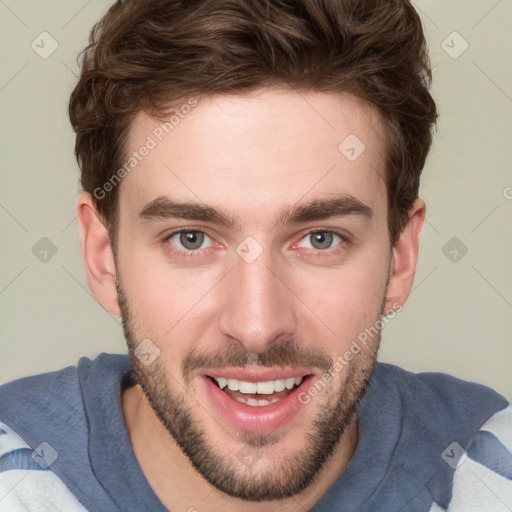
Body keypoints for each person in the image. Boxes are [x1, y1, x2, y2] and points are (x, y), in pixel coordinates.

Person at [0, 0, 510, 510]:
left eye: (320, 239)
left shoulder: (486, 472)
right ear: (103, 255)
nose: (257, 326)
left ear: (400, 255)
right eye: (191, 238)